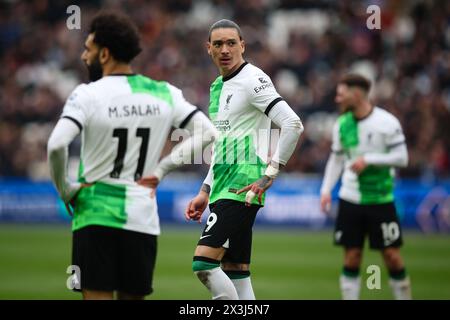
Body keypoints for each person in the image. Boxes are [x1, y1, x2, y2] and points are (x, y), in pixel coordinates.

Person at [47, 11, 216, 300]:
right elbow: (208, 133)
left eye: (88, 49)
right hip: (142, 216)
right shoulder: (164, 92)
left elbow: (56, 145)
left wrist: (66, 190)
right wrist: (161, 170)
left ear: (105, 54)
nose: (84, 56)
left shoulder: (87, 94)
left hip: (94, 214)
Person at [184, 19, 304, 300]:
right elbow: (221, 144)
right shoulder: (217, 87)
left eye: (231, 43)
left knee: (203, 264)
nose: (225, 49)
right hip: (223, 186)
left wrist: (269, 174)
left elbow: (292, 124)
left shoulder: (253, 80)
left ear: (242, 45)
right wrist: (205, 190)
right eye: (218, 44)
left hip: (243, 187)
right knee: (235, 269)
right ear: (208, 49)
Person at [320, 74, 412, 300]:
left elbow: (402, 158)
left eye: (342, 94)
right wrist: (325, 190)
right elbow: (337, 159)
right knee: (351, 256)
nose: (337, 99)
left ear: (357, 94)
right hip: (350, 199)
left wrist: (369, 159)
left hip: (381, 199)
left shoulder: (386, 122)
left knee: (391, 256)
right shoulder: (342, 124)